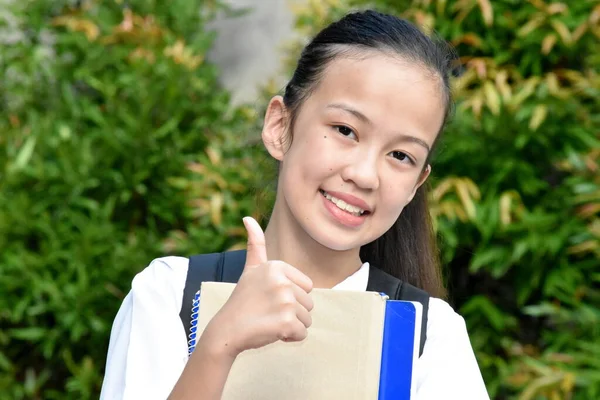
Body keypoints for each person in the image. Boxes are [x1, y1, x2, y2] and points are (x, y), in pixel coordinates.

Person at [100, 9, 490, 400]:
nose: (366, 175)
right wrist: (218, 345)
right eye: (345, 130)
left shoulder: (431, 336)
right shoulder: (170, 295)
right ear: (279, 127)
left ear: (416, 184)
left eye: (401, 156)